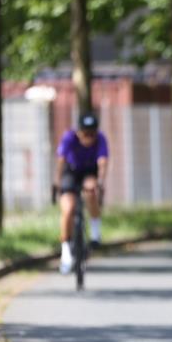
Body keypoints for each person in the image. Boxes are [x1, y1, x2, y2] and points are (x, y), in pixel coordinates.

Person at [55, 113, 108, 274]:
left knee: (91, 190)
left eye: (92, 133)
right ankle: (65, 254)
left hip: (89, 172)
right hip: (71, 172)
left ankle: (95, 233)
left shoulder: (100, 139)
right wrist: (57, 182)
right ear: (78, 132)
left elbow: (103, 162)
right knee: (68, 209)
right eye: (86, 133)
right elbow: (61, 159)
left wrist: (100, 182)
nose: (89, 137)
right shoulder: (69, 138)